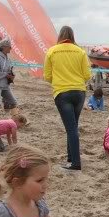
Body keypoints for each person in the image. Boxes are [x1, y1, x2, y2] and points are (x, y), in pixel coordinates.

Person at [44, 26, 92, 171]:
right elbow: (87, 75)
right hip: (79, 92)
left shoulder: (52, 51)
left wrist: (59, 80)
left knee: (71, 128)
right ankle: (71, 158)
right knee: (72, 127)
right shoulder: (80, 51)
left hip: (62, 93)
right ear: (72, 36)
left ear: (60, 36)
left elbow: (47, 76)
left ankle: (75, 163)